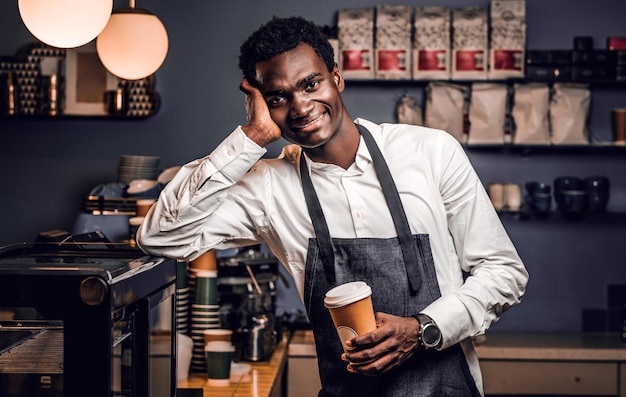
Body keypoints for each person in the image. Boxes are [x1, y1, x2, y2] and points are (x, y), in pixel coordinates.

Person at [137, 16, 528, 397]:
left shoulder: (430, 152)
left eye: (311, 84)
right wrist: (252, 135)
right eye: (278, 97)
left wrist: (422, 327)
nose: (300, 106)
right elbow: (159, 237)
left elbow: (504, 271)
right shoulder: (269, 187)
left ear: (336, 78)